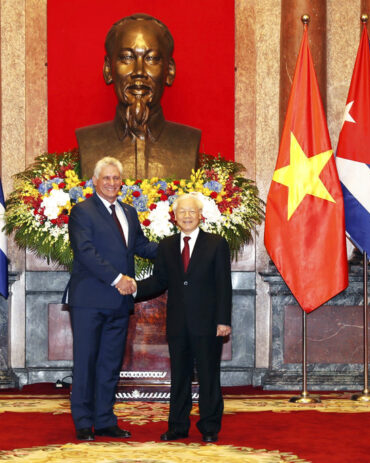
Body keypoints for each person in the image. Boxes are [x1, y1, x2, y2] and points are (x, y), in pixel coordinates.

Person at [65, 156, 158, 441]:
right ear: (94, 181)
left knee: (110, 363)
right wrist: (119, 279)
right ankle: (83, 421)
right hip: (89, 301)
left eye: (116, 178)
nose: (112, 183)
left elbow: (139, 245)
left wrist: (175, 248)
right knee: (86, 362)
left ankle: (104, 419)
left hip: (118, 304)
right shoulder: (82, 211)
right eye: (106, 178)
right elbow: (86, 252)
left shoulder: (129, 212)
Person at [135, 193, 232, 443]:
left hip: (209, 323)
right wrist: (133, 289)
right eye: (182, 212)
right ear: (174, 217)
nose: (187, 216)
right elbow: (160, 281)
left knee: (209, 376)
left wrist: (224, 320)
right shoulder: (166, 245)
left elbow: (223, 285)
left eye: (192, 212)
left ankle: (210, 427)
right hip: (178, 324)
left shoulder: (216, 243)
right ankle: (177, 427)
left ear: (200, 215)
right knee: (179, 377)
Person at [77, 13, 200, 180]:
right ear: (108, 69)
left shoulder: (188, 142)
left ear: (169, 70)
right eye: (127, 57)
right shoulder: (88, 143)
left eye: (152, 58)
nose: (139, 72)